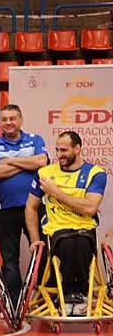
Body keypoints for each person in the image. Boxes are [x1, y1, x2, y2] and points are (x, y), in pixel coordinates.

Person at [26, 131, 107, 316]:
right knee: (70, 242)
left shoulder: (95, 173)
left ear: (77, 149)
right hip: (57, 230)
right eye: (57, 150)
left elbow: (89, 208)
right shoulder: (45, 173)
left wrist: (55, 192)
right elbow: (30, 207)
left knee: (80, 241)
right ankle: (71, 293)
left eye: (64, 150)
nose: (59, 154)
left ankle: (79, 292)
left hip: (85, 228)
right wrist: (34, 239)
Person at [0, 104, 49, 302]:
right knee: (9, 260)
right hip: (5, 209)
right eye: (4, 119)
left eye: (12, 118)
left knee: (41, 252)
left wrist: (9, 162)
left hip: (34, 206)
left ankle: (43, 297)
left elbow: (41, 162)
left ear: (20, 120)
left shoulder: (35, 139)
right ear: (0, 123)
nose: (8, 123)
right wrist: (26, 163)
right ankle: (13, 302)